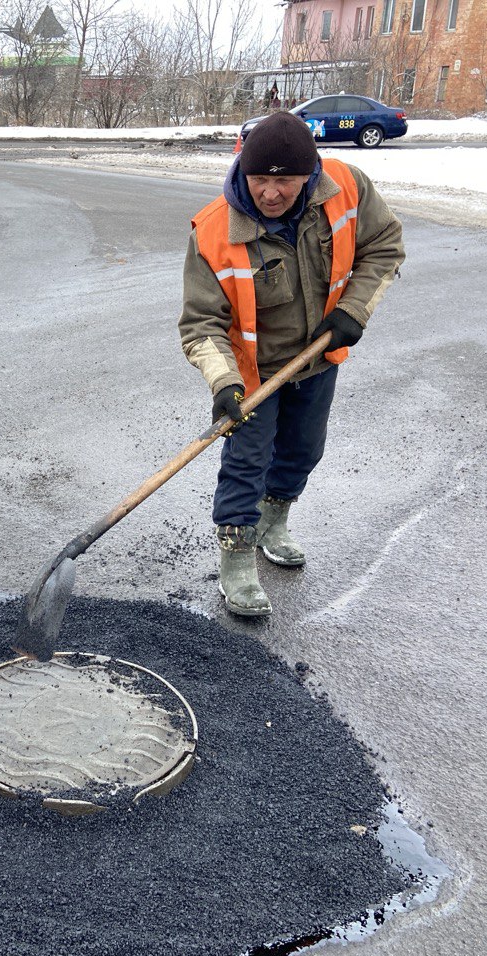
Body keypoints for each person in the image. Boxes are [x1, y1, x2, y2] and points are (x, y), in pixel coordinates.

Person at [178, 112, 404, 617]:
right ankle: (236, 558)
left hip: (318, 355)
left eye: (286, 180)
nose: (272, 192)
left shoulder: (345, 187)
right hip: (251, 373)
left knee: (303, 449)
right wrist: (223, 384)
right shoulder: (215, 231)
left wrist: (354, 309)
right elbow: (200, 324)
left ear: (311, 174)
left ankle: (273, 522)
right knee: (246, 462)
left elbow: (384, 246)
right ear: (243, 168)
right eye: (261, 179)